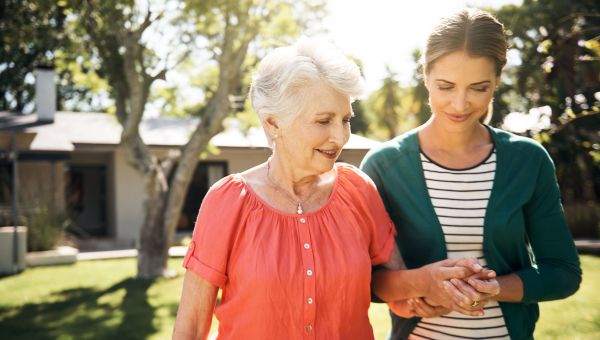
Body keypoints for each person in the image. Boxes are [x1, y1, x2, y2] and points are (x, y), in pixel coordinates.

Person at [172, 37, 492, 340]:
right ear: (273, 124)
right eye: (324, 120)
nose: (339, 137)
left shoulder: (358, 189)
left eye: (345, 120)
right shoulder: (228, 202)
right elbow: (190, 328)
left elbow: (395, 290)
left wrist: (433, 289)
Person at [360, 8, 582, 340]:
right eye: (445, 86)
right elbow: (364, 280)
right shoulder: (384, 165)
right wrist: (424, 282)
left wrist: (491, 288)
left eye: (478, 88)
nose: (460, 104)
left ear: (497, 81)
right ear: (425, 76)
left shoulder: (528, 160)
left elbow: (562, 273)